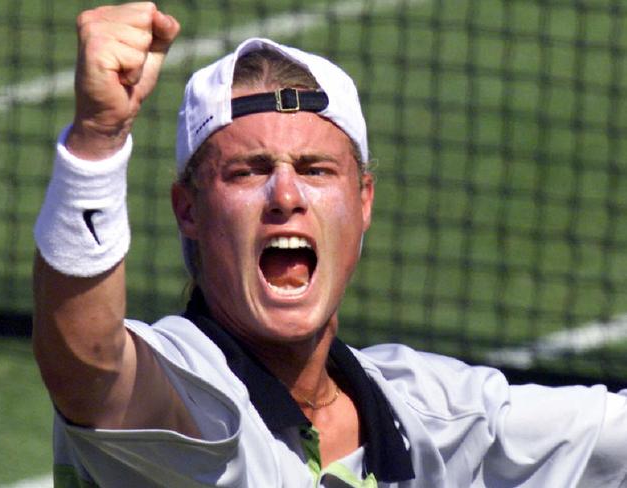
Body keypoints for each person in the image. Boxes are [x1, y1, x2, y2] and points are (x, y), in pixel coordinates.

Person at [32, 3, 627, 487]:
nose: (285, 194)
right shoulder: (189, 394)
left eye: (316, 169)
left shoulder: (434, 413)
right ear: (189, 210)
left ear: (364, 201)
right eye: (247, 171)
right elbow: (89, 360)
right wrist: (98, 138)